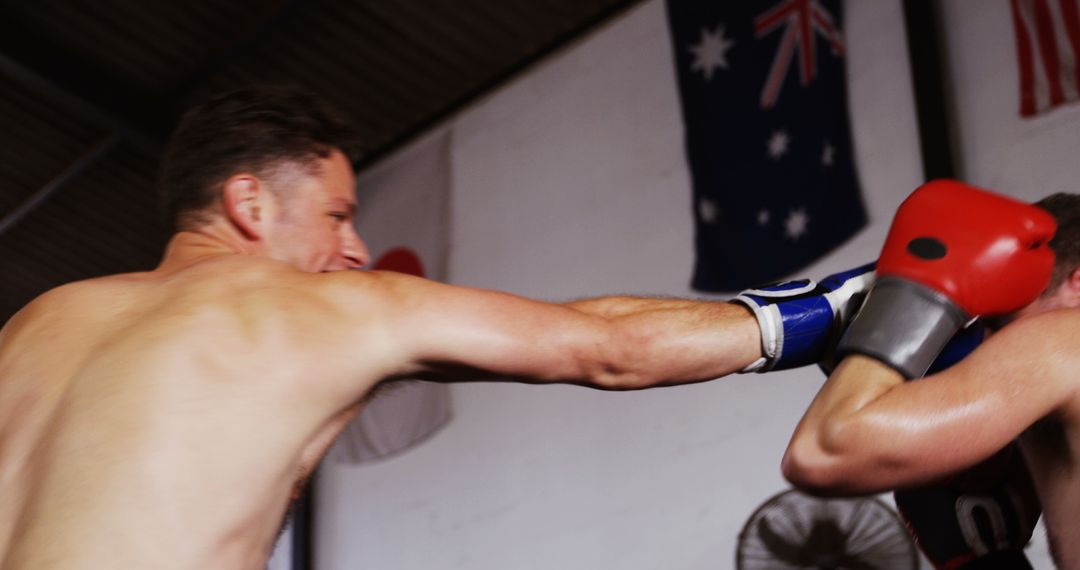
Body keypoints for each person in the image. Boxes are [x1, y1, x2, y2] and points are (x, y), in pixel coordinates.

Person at [0, 86, 771, 569]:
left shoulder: (38, 323)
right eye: (337, 215)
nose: (356, 250)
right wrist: (822, 314)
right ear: (250, 203)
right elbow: (611, 347)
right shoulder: (316, 306)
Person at [783, 181, 1080, 568]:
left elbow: (823, 451)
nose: (989, 338)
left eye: (1007, 310)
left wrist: (911, 297)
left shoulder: (1063, 335)